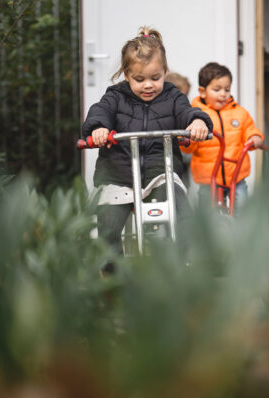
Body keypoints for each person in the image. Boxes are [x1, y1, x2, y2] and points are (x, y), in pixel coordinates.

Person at [82, 26, 212, 265]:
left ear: (165, 71)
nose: (148, 85)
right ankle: (112, 278)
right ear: (127, 75)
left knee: (182, 216)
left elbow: (187, 111)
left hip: (159, 172)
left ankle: (179, 266)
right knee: (108, 227)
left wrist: (196, 122)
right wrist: (99, 128)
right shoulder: (115, 96)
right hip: (117, 175)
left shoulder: (173, 96)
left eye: (155, 78)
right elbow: (100, 111)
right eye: (139, 79)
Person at [181, 62, 264, 214]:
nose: (223, 94)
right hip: (208, 178)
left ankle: (242, 234)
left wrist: (255, 137)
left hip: (235, 175)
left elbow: (249, 129)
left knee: (242, 209)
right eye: (217, 89)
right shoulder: (196, 115)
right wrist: (189, 138)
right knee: (208, 215)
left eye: (227, 89)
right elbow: (188, 147)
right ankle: (208, 236)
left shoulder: (239, 113)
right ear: (203, 91)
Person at [166, 71, 193, 187]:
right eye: (182, 95)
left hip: (184, 158)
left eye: (186, 95)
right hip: (168, 158)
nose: (184, 99)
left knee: (184, 185)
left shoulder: (186, 111)